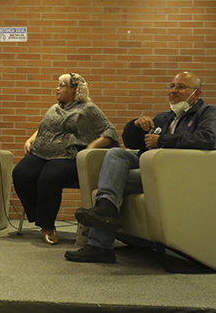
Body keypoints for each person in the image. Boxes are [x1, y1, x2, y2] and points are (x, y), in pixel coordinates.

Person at [66, 71, 216, 263]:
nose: (173, 91)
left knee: (110, 181)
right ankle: (107, 208)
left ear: (197, 93)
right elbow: (132, 143)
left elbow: (209, 139)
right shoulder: (164, 117)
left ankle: (99, 244)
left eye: (180, 87)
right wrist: (135, 126)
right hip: (151, 166)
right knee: (116, 153)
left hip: (175, 173)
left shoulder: (208, 113)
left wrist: (163, 140)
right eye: (171, 86)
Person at [13, 73, 119, 245]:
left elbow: (110, 132)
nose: (57, 88)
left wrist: (90, 148)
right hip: (41, 152)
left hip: (67, 155)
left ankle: (47, 226)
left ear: (75, 89)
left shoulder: (88, 108)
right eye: (58, 84)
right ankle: (40, 217)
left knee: (48, 178)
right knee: (20, 173)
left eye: (62, 85)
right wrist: (31, 139)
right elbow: (44, 128)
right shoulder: (54, 108)